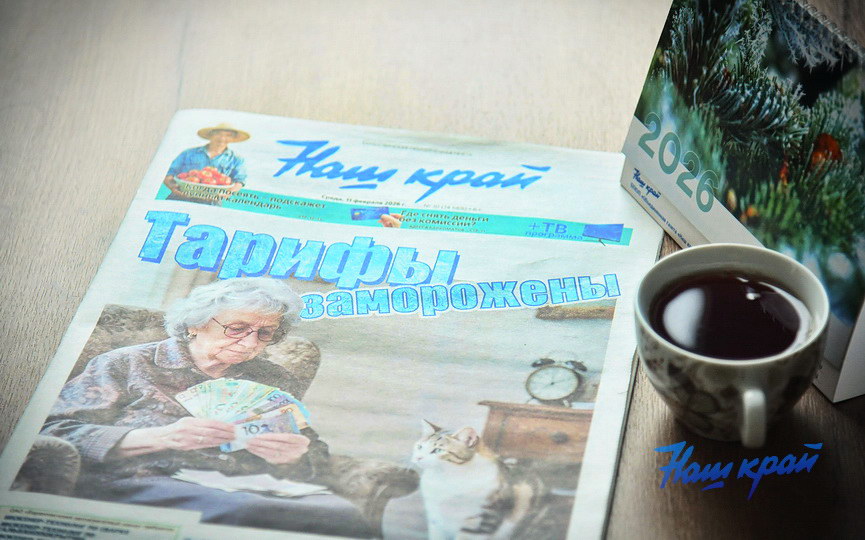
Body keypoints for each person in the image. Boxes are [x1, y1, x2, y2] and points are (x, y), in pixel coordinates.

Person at [40, 278, 373, 537]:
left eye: (265, 333)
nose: (250, 342)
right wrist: (160, 437)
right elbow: (54, 431)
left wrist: (294, 456)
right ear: (195, 325)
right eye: (237, 328)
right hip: (140, 480)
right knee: (246, 513)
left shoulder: (272, 379)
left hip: (241, 483)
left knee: (342, 514)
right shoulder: (127, 363)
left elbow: (311, 448)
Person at [163, 123, 249, 205]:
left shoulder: (236, 159)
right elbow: (169, 173)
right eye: (218, 134)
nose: (222, 138)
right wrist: (172, 187)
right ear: (211, 135)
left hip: (211, 203)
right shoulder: (189, 153)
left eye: (228, 135)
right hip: (179, 198)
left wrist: (228, 193)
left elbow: (240, 181)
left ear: (233, 139)